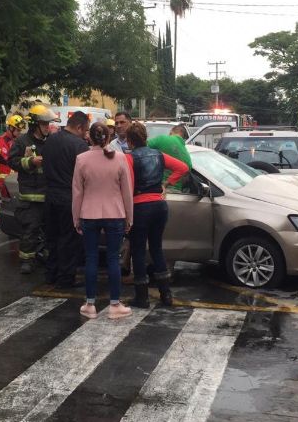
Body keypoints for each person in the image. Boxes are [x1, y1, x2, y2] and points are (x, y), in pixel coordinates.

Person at [72, 122, 134, 319]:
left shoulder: (81, 159)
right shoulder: (120, 158)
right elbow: (127, 192)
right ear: (108, 138)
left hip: (88, 214)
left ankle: (90, 304)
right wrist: (129, 217)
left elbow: (77, 192)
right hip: (115, 213)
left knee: (91, 258)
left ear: (89, 137)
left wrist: (76, 218)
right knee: (113, 259)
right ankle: (115, 304)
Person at [124, 122, 189, 308]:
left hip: (140, 206)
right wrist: (166, 184)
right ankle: (166, 295)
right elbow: (183, 168)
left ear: (129, 141)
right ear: (145, 137)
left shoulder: (129, 159)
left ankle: (141, 297)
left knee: (137, 251)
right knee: (156, 248)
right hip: (159, 205)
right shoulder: (159, 155)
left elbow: (127, 185)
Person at [41, 111, 89, 288]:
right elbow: (85, 175)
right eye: (85, 131)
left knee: (52, 237)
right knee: (68, 239)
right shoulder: (79, 145)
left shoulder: (51, 140)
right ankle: (66, 278)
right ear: (78, 127)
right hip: (69, 197)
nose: (86, 134)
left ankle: (50, 274)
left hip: (50, 195)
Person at [8, 104, 58, 274]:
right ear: (35, 124)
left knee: (50, 230)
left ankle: (46, 256)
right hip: (30, 196)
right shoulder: (22, 141)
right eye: (44, 124)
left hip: (48, 194)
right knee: (30, 229)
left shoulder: (51, 141)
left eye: (48, 124)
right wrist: (30, 162)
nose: (47, 127)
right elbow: (12, 161)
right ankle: (26, 260)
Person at [147, 124, 192, 192]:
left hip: (159, 189)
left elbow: (141, 147)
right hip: (177, 192)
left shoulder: (163, 139)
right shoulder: (187, 156)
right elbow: (186, 177)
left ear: (171, 132)